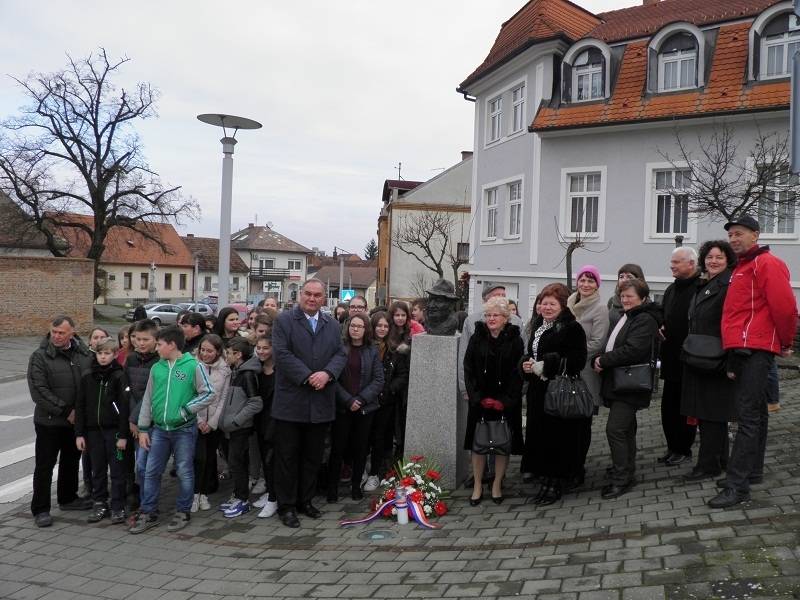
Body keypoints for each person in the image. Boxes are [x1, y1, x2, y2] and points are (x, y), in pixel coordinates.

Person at [708, 215, 798, 508]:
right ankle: (751, 472)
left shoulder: (766, 263)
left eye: (739, 233)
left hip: (755, 349)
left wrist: (785, 342)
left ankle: (738, 487)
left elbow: (785, 307)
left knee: (746, 416)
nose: (734, 239)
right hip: (744, 347)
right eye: (731, 235)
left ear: (755, 235)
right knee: (756, 412)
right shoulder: (742, 266)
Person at [271, 279, 347, 528]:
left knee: (312, 457)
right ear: (300, 295)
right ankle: (287, 506)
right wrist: (307, 376)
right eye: (308, 294)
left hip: (320, 403)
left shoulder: (332, 324)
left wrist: (327, 373)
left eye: (317, 295)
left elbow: (340, 354)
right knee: (287, 458)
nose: (312, 298)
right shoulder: (284, 321)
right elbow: (282, 354)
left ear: (324, 298)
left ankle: (306, 500)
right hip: (291, 403)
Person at [130, 326, 214, 534]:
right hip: (159, 429)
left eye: (159, 344)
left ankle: (183, 511)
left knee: (184, 470)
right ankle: (149, 511)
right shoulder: (157, 368)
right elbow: (148, 399)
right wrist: (143, 428)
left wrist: (186, 411)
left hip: (183, 430)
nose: (156, 348)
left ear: (172, 345)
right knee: (151, 471)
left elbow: (208, 393)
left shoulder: (193, 366)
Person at [593, 279, 661, 500]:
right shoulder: (629, 316)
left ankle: (622, 478)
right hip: (621, 382)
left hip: (630, 384)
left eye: (630, 296)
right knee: (626, 429)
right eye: (622, 296)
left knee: (615, 430)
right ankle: (626, 471)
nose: (625, 300)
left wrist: (603, 360)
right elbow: (615, 344)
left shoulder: (644, 319)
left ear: (643, 298)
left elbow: (633, 350)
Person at [520, 283, 588, 505]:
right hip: (538, 391)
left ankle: (556, 482)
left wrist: (546, 364)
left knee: (557, 438)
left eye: (552, 304)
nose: (546, 308)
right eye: (544, 303)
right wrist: (526, 364)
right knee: (540, 436)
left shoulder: (572, 328)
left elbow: (578, 360)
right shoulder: (538, 325)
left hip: (558, 391)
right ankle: (545, 479)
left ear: (563, 306)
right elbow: (531, 353)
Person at [28, 316, 94, 527]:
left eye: (61, 333)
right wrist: (66, 411)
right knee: (45, 466)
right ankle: (41, 509)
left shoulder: (84, 354)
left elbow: (91, 383)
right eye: (54, 332)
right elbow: (39, 390)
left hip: (75, 422)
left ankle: (68, 498)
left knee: (71, 461)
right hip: (49, 422)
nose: (56, 336)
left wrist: (81, 412)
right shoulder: (39, 356)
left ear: (72, 333)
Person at [680, 241, 737, 482]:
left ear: (728, 260)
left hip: (715, 359)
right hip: (699, 357)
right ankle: (719, 461)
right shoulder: (706, 284)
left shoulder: (729, 286)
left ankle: (708, 466)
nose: (713, 261)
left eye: (719, 257)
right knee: (710, 415)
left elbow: (733, 325)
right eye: (710, 257)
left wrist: (731, 361)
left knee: (711, 414)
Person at [459, 284, 524, 483]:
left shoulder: (516, 334)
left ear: (505, 317)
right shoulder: (475, 332)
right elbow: (467, 365)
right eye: (488, 315)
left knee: (502, 439)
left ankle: (497, 481)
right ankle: (479, 482)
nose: (491, 318)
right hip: (480, 398)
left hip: (505, 399)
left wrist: (507, 399)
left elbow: (519, 369)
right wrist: (472, 393)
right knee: (479, 439)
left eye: (496, 315)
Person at [327, 313, 384, 502]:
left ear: (366, 329)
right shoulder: (339, 348)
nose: (355, 329)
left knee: (360, 448)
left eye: (360, 326)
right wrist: (348, 400)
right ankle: (332, 488)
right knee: (338, 449)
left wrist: (360, 399)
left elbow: (378, 380)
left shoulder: (372, 350)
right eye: (353, 326)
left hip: (365, 408)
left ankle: (356, 486)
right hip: (342, 407)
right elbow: (332, 378)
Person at [75, 339, 129, 524]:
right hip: (93, 432)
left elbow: (124, 408)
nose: (103, 357)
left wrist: (123, 435)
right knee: (97, 469)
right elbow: (80, 406)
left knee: (117, 470)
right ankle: (100, 503)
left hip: (114, 432)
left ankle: (118, 506)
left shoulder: (119, 376)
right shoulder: (87, 376)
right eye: (100, 353)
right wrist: (79, 434)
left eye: (107, 353)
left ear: (115, 354)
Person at [566, 266, 609, 486]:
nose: (585, 284)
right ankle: (567, 465)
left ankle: (578, 468)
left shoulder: (600, 308)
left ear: (597, 285)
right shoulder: (569, 304)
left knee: (582, 425)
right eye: (582, 280)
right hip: (566, 374)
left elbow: (598, 342)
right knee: (567, 424)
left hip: (585, 374)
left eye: (591, 281)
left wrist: (572, 355)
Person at [659, 247, 701, 466]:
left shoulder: (700, 288)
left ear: (691, 264)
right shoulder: (671, 289)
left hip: (690, 359)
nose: (671, 265)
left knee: (685, 409)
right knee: (668, 408)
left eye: (676, 262)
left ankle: (683, 449)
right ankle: (672, 447)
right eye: (672, 261)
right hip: (670, 359)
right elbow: (663, 313)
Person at [218, 338, 263, 518]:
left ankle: (242, 500)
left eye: (228, 353)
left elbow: (255, 403)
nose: (226, 356)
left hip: (240, 428)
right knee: (235, 462)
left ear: (238, 355)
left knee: (238, 463)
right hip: (232, 428)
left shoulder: (247, 375)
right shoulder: (235, 372)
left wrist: (236, 421)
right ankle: (238, 495)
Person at [364, 311, 409, 491]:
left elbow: (402, 374)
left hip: (386, 401)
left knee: (381, 438)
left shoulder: (393, 350)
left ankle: (376, 473)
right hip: (366, 400)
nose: (382, 329)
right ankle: (362, 471)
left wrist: (390, 389)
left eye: (385, 326)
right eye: (379, 326)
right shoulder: (365, 347)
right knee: (363, 438)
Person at [192, 334, 229, 513]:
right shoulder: (192, 366)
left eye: (210, 351)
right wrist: (199, 420)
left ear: (218, 352)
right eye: (203, 350)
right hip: (195, 420)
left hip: (213, 422)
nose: (205, 354)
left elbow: (223, 398)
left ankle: (204, 493)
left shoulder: (225, 370)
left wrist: (212, 422)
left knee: (209, 458)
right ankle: (194, 493)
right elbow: (189, 395)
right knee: (197, 458)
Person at [252, 336, 278, 518]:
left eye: (265, 348)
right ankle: (270, 492)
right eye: (258, 348)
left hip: (276, 421)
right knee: (264, 458)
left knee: (273, 460)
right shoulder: (256, 370)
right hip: (260, 420)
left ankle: (274, 498)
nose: (261, 351)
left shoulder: (280, 370)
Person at [386, 301, 415, 458]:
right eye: (397, 315)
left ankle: (401, 448)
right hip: (391, 381)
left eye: (403, 315)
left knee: (402, 418)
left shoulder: (410, 332)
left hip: (406, 382)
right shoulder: (387, 331)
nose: (400, 318)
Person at [608, 264, 647, 328]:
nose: (624, 280)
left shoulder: (645, 303)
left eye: (629, 277)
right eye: (621, 277)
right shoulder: (612, 301)